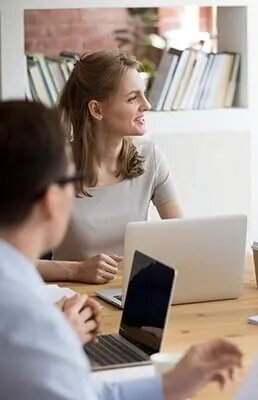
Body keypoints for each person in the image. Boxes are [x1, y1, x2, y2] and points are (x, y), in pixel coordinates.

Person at [0, 100, 242, 399]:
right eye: (72, 179)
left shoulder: (28, 307)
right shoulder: (29, 320)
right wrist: (55, 339)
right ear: (51, 200)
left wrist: (167, 385)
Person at [37, 50, 182, 284]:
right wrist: (77, 270)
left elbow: (182, 237)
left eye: (143, 95)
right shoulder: (52, 167)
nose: (147, 105)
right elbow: (12, 261)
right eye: (132, 98)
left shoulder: (150, 157)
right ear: (97, 109)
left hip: (133, 295)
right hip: (75, 302)